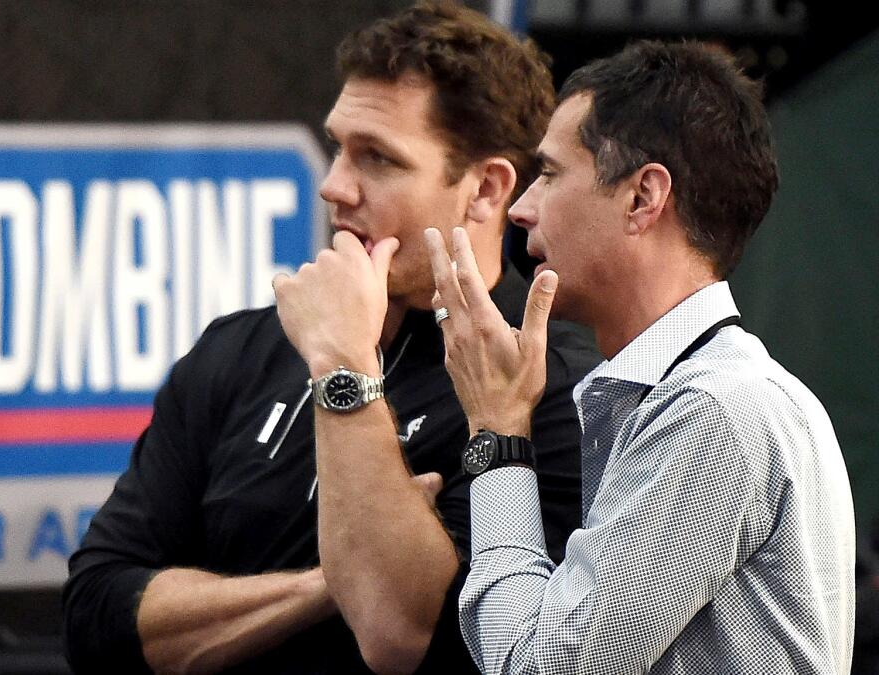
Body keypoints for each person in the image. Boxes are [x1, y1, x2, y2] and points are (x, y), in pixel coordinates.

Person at [63, 2, 602, 673]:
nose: (333, 186)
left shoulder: (553, 389)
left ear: (487, 189)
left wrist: (343, 365)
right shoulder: (241, 348)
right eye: (338, 147)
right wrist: (325, 584)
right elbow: (96, 615)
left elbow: (406, 633)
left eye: (377, 159)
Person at [425, 40, 855, 673]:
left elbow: (535, 666)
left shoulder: (712, 414)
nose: (521, 210)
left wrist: (498, 430)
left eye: (548, 174)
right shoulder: (714, 397)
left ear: (643, 198)